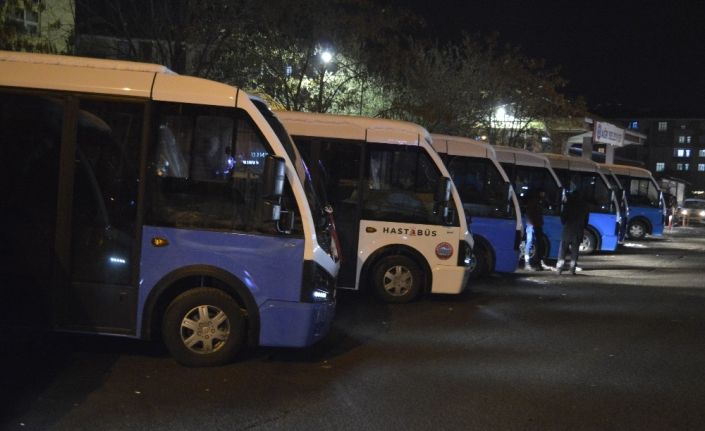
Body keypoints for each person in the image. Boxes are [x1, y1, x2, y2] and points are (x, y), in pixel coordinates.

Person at [556, 190, 590, 275]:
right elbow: (586, 222)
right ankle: (572, 269)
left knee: (563, 250)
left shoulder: (568, 205)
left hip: (567, 231)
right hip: (578, 232)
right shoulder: (585, 206)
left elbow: (563, 219)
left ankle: (560, 268)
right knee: (575, 251)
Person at [523, 188, 545, 271]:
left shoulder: (536, 202)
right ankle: (529, 262)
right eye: (542, 193)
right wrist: (534, 224)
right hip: (534, 225)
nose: (543, 195)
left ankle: (536, 263)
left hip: (535, 225)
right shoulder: (534, 202)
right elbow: (531, 214)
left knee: (535, 243)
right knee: (530, 242)